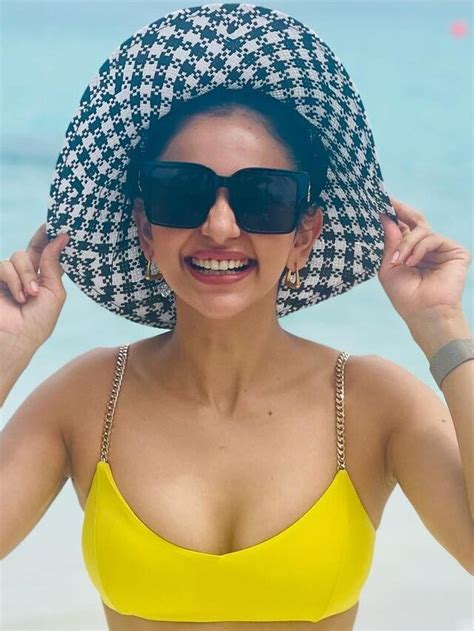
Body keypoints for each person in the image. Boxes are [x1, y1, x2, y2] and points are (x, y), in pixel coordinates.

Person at [1, 3, 473, 630]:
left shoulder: (369, 402)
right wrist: (7, 349)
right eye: (181, 191)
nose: (220, 226)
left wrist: (442, 327)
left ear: (305, 234)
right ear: (144, 228)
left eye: (263, 197)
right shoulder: (88, 399)